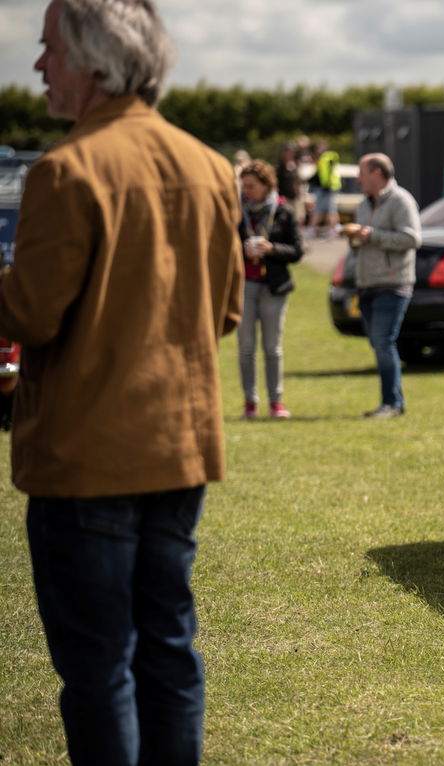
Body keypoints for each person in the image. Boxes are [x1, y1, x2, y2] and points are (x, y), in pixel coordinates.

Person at [0, 2, 242, 763]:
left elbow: (30, 315)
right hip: (178, 450)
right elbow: (227, 309)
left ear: (93, 61)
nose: (38, 66)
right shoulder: (208, 166)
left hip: (87, 459)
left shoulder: (66, 169)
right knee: (168, 651)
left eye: (48, 51)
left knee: (99, 667)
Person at [345, 153, 421, 418]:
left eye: (362, 173)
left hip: (393, 283)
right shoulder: (364, 204)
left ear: (377, 174)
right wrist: (355, 238)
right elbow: (363, 243)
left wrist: (371, 235)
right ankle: (391, 402)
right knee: (379, 342)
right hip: (367, 282)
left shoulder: (401, 200)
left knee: (383, 341)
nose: (358, 179)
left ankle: (392, 404)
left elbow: (412, 239)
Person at [238, 159, 304, 419]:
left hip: (274, 287)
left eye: (251, 186)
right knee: (245, 347)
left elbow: (297, 251)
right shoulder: (237, 212)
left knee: (272, 347)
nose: (246, 191)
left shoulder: (283, 211)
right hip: (245, 284)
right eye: (243, 186)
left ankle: (276, 402)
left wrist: (272, 249)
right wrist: (241, 249)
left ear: (266, 185)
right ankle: (249, 402)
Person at [307, 141, 342, 238]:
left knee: (327, 209)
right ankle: (333, 229)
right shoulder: (324, 158)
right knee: (329, 209)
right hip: (326, 187)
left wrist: (328, 185)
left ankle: (331, 230)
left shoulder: (328, 158)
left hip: (327, 188)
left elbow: (328, 174)